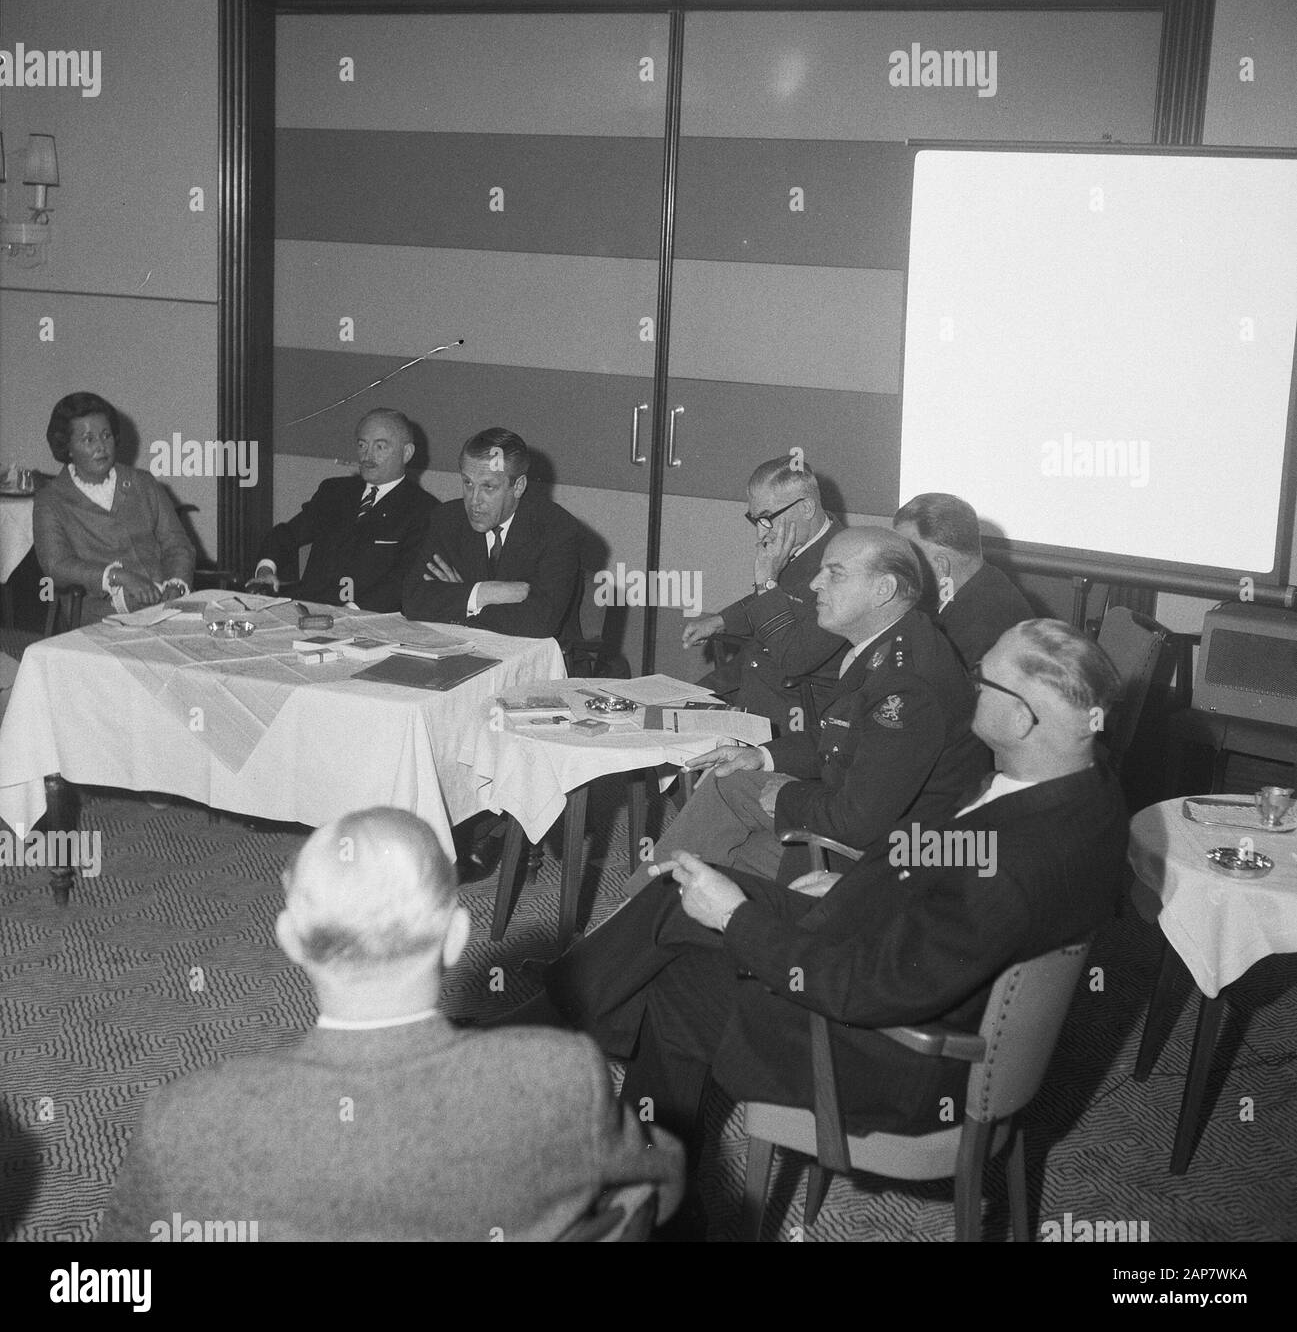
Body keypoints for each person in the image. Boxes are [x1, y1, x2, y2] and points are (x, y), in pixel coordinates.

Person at [530, 620, 1128, 1168]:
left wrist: (735, 918)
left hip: (891, 1058)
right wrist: (864, 882)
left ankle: (642, 1179)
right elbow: (957, 855)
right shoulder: (1085, 792)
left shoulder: (1012, 869)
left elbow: (865, 989)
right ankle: (557, 1016)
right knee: (674, 888)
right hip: (892, 942)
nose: (969, 686)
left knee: (679, 985)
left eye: (983, 679)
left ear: (1022, 718)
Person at [97, 806, 684, 1242]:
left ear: (289, 940)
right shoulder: (560, 1074)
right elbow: (659, 1184)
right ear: (456, 938)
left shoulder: (186, 1120)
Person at [632, 527, 985, 892]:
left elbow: (857, 821)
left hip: (896, 859)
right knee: (729, 793)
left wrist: (786, 795)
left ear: (884, 589)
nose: (816, 583)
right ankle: (648, 910)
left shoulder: (905, 683)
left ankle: (641, 913)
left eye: (835, 573)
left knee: (715, 838)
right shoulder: (893, 641)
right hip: (871, 827)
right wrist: (760, 756)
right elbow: (840, 738)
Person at [682, 459, 844, 734]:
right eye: (755, 519)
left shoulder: (844, 563)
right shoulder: (804, 544)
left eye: (768, 517)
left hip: (795, 706)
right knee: (669, 708)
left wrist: (766, 579)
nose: (761, 531)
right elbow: (784, 597)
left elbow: (796, 659)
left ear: (806, 507)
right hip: (754, 679)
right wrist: (722, 620)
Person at [402, 427, 581, 640]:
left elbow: (539, 622)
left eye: (488, 487)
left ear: (518, 486)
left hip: (537, 658)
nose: (474, 500)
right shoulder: (447, 519)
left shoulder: (557, 530)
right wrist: (485, 593)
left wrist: (462, 598)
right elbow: (413, 601)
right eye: (468, 483)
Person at [33, 392, 195, 624]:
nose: (101, 446)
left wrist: (176, 583)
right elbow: (57, 565)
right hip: (99, 615)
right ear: (67, 447)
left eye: (106, 435)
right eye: (88, 439)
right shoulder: (51, 499)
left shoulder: (143, 483)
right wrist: (117, 576)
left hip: (165, 605)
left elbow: (178, 545)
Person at [251, 409, 435, 612]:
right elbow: (287, 534)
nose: (367, 455)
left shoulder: (423, 510)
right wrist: (266, 569)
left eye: (380, 446)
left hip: (366, 617)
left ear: (407, 453)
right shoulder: (334, 492)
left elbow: (403, 580)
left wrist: (350, 611)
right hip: (305, 608)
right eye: (362, 445)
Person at [893, 492, 1034, 668]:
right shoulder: (986, 584)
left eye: (907, 561)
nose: (898, 572)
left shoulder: (980, 627)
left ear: (941, 566)